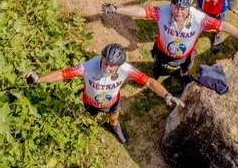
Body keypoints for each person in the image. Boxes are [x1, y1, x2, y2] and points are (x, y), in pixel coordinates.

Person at [24, 43, 183, 145]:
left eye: (112, 66)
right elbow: (63, 74)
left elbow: (148, 81)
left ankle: (114, 126)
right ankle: (91, 123)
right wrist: (38, 79)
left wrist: (166, 94)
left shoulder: (126, 69)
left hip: (112, 103)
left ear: (120, 65)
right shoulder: (88, 66)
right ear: (101, 57)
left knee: (114, 117)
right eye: (105, 62)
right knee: (91, 116)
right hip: (89, 101)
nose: (107, 67)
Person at [101, 0, 238, 84]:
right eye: (176, 7)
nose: (178, 12)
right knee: (159, 65)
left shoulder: (198, 17)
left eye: (183, 8)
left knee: (185, 68)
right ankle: (158, 71)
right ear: (171, 4)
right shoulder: (162, 11)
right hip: (162, 50)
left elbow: (223, 25)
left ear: (190, 7)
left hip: (186, 55)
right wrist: (117, 9)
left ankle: (183, 75)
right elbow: (142, 11)